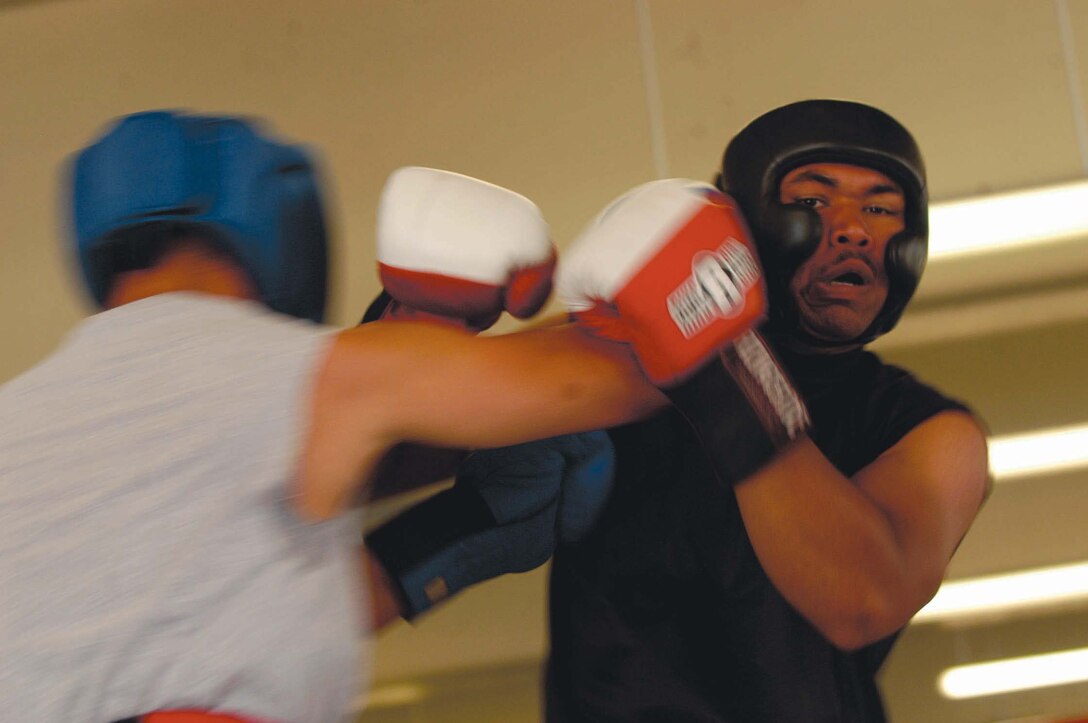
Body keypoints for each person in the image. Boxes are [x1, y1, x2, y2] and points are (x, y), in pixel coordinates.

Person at [0, 110, 792, 723]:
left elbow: (212, 613)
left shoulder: (23, 423)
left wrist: (459, 537)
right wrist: (718, 281)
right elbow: (612, 380)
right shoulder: (301, 371)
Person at [538, 99, 991, 722]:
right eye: (812, 200)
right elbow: (409, 442)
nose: (854, 228)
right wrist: (420, 316)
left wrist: (717, 354)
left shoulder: (929, 432)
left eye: (881, 209)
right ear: (747, 221)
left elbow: (860, 601)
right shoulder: (621, 359)